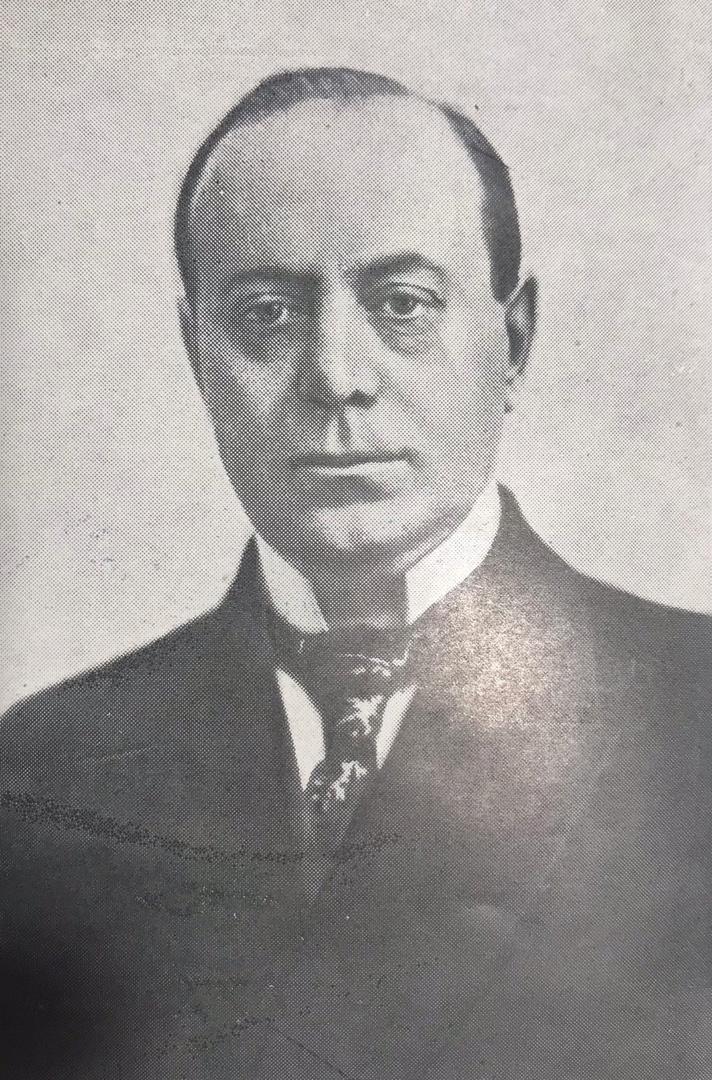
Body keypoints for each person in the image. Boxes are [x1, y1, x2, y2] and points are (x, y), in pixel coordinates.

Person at [1, 66, 710, 1080]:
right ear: (196, 353)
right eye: (267, 314)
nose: (335, 374)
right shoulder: (42, 773)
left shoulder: (694, 715)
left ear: (513, 341)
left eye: (402, 303)